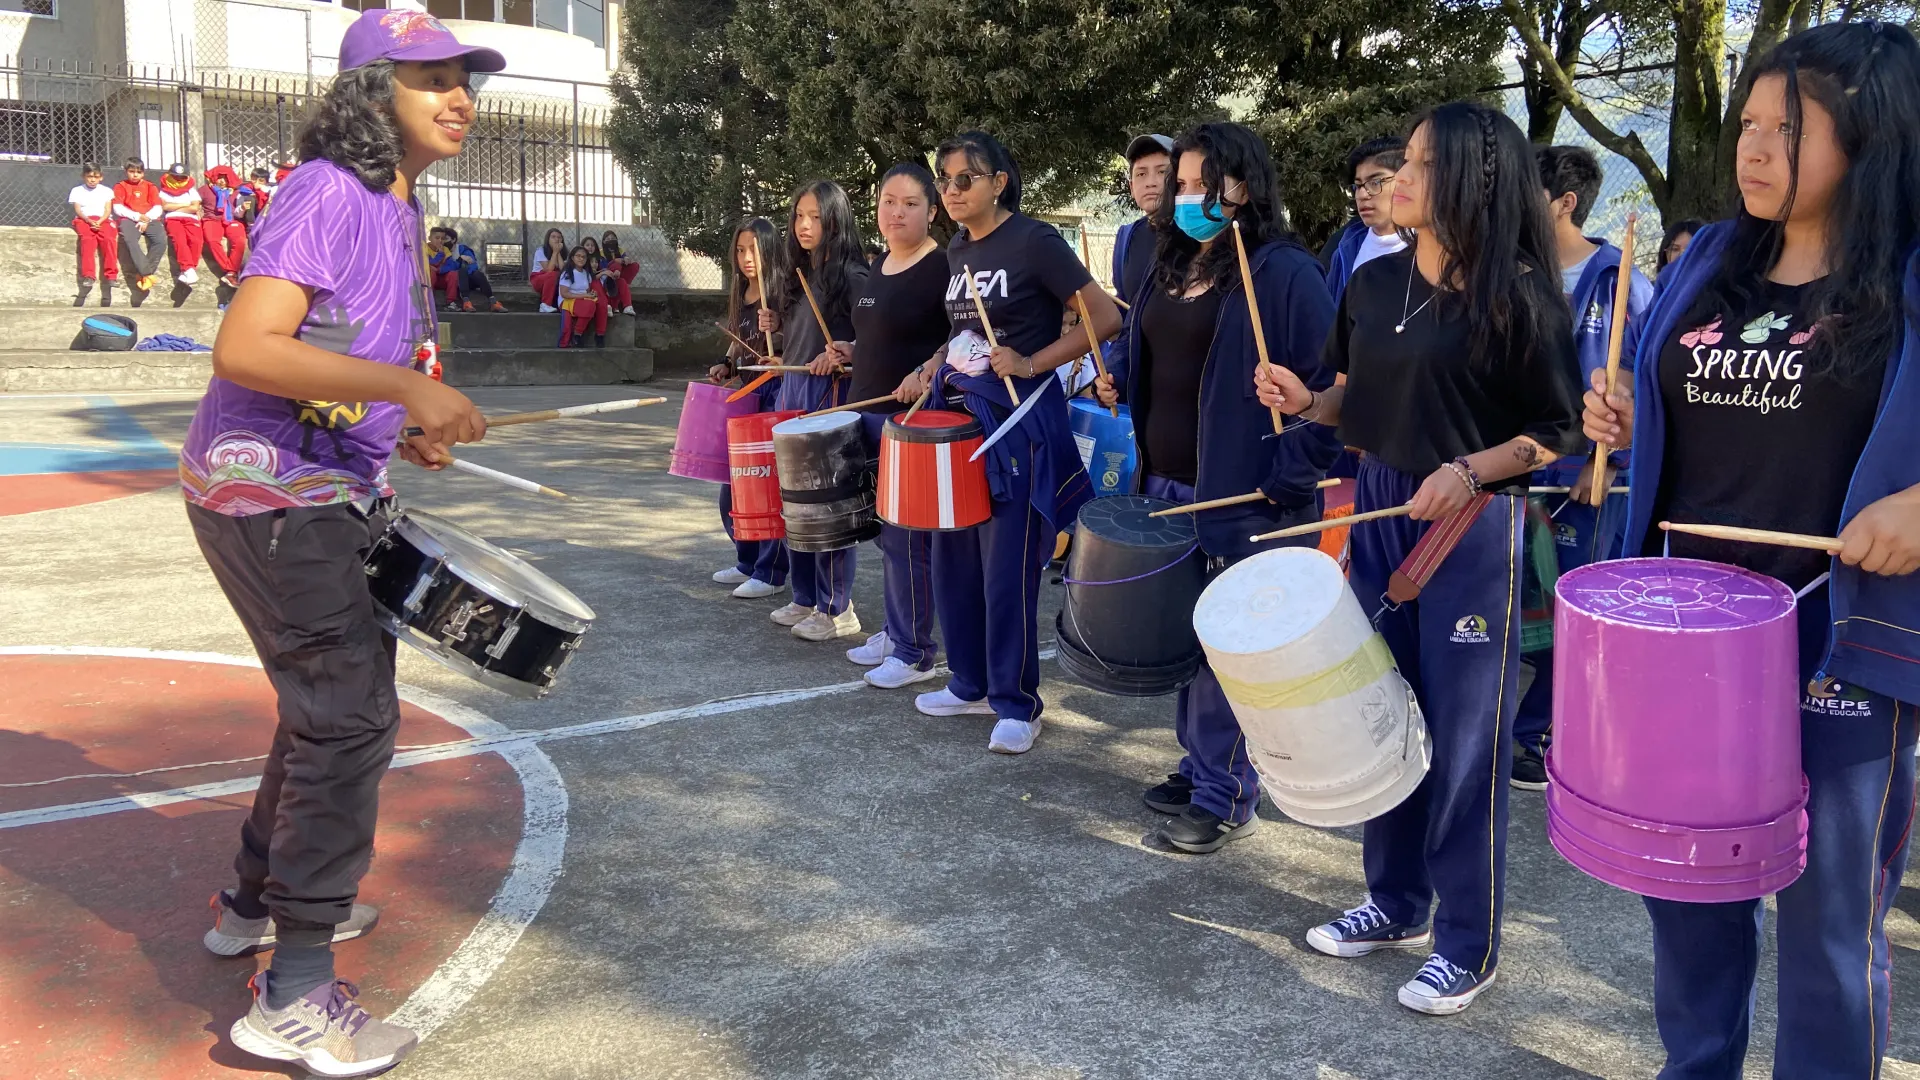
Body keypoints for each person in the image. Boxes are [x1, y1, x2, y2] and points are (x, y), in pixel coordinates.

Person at [1582, 23, 1920, 1078]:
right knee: (1687, 894)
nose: (1757, 150)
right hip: (1683, 638)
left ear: (1874, 143)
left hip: (1835, 634)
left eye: (1793, 129)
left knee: (1827, 923)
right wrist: (1632, 414)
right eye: (1751, 125)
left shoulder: (1908, 278)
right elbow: (1684, 412)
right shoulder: (1716, 260)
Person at [178, 10, 501, 1074]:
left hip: (325, 484)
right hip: (269, 494)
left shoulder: (398, 207)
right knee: (353, 714)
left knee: (327, 708)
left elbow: (334, 354)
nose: (457, 96)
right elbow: (248, 345)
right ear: (373, 94)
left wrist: (397, 420)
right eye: (429, 80)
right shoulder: (331, 189)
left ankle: (250, 903)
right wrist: (405, 385)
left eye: (464, 79)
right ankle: (298, 992)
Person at [1257, 101, 1583, 1015]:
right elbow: (1351, 400)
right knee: (1381, 713)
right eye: (1402, 160)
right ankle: (1394, 902)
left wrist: (1471, 471)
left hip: (1471, 533)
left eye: (1420, 164)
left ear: (1476, 179)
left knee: (1466, 740)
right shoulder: (1371, 282)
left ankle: (1467, 944)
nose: (1397, 178)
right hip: (1377, 515)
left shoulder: (1517, 289)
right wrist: (1303, 399)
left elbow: (1555, 433)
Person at [1092, 122, 1340, 851]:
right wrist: (1120, 379)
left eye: (1209, 184)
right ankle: (1200, 762)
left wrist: (1284, 484)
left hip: (1245, 498)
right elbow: (1160, 358)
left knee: (1229, 652)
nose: (1192, 197)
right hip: (1168, 486)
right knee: (1186, 640)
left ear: (1249, 186)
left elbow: (1330, 394)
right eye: (1184, 185)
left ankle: (1227, 790)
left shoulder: (1285, 272)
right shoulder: (1168, 261)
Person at [893, 130, 1121, 754]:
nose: (952, 188)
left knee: (1006, 569)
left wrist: (1032, 361)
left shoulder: (1035, 241)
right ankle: (968, 682)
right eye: (944, 178)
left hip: (1017, 426)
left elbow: (1105, 316)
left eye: (966, 177)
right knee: (954, 557)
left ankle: (1017, 702)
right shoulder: (959, 249)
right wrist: (932, 363)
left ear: (999, 181)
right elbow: (963, 333)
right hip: (959, 419)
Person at [1508, 144, 1655, 791]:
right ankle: (1510, 727)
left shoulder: (1623, 281)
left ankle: (1537, 736)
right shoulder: (1513, 274)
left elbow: (1641, 387)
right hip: (1518, 469)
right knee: (1518, 609)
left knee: (1574, 613)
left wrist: (1610, 459)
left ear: (1564, 202)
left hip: (1589, 480)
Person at [834, 162, 949, 688]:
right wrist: (850, 350)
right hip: (865, 411)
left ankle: (915, 650)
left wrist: (927, 370)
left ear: (932, 209)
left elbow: (963, 339)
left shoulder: (943, 267)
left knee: (909, 540)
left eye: (909, 203)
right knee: (885, 535)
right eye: (887, 201)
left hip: (910, 421)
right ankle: (896, 627)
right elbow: (879, 339)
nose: (896, 212)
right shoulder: (878, 265)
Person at [758, 179, 870, 642]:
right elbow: (803, 343)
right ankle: (805, 596)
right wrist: (778, 349)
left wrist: (847, 352)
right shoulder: (799, 273)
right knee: (795, 506)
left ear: (835, 220)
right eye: (798, 216)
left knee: (827, 508)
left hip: (829, 400)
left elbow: (875, 340)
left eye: (815, 217)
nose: (804, 225)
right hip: (793, 392)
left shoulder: (854, 276)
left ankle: (837, 608)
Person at [708, 215, 789, 600]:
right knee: (734, 487)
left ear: (770, 250)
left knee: (766, 488)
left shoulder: (784, 295)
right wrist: (725, 364)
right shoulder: (742, 294)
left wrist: (781, 334)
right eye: (740, 250)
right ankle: (746, 559)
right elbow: (739, 340)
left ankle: (770, 571)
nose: (745, 257)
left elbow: (795, 346)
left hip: (776, 396)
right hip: (747, 396)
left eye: (753, 249)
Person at [1103, 133, 1171, 393]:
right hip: (1140, 383)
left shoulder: (1196, 238)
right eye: (1141, 174)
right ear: (1131, 185)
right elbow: (1125, 309)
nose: (1151, 182)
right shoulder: (1126, 237)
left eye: (1162, 172)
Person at [1323, 136, 1409, 305]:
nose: (1362, 195)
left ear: (1405, 180)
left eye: (1375, 182)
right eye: (1358, 186)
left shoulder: (1431, 245)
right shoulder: (1345, 248)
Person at [112, 156, 167, 293]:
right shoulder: (120, 186)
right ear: (126, 171)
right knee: (130, 240)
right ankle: (147, 274)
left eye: (138, 172)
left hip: (150, 218)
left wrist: (146, 219)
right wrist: (137, 217)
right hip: (129, 219)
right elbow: (118, 208)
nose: (135, 175)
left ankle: (143, 274)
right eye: (131, 171)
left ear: (143, 173)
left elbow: (158, 207)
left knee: (160, 241)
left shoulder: (150, 187)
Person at [68, 162, 118, 300]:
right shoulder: (77, 191)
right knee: (87, 241)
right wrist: (89, 221)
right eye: (89, 176)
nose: (92, 179)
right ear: (84, 176)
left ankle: (111, 276)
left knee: (108, 240)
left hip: (103, 219)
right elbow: (78, 210)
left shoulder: (107, 191)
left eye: (96, 177)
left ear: (101, 177)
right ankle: (89, 275)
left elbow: (108, 210)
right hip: (84, 220)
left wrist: (100, 221)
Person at [428, 226, 505, 312]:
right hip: (457, 280)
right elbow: (448, 267)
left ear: (453, 240)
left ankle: (493, 302)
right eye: (440, 238)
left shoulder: (463, 249)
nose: (442, 241)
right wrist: (460, 260)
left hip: (467, 279)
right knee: (460, 271)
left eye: (444, 239)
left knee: (476, 274)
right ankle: (466, 302)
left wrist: (462, 266)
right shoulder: (444, 251)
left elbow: (472, 265)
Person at [200, 165, 249, 289]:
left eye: (225, 178)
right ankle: (230, 270)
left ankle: (231, 273)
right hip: (211, 219)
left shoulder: (237, 192)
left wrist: (243, 208)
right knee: (212, 241)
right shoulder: (205, 190)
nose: (222, 181)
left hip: (232, 219)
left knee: (239, 241)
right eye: (219, 177)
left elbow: (239, 212)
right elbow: (195, 204)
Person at [158, 163, 205, 286]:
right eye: (176, 177)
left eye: (182, 177)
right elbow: (165, 206)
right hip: (173, 219)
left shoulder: (191, 190)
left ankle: (188, 270)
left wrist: (174, 207)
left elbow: (195, 207)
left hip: (191, 219)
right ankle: (188, 268)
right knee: (179, 240)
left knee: (196, 241)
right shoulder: (164, 191)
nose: (179, 180)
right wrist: (185, 205)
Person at [556, 245, 607, 347]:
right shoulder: (568, 273)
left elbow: (587, 291)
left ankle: (600, 334)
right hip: (567, 301)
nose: (581, 258)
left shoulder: (586, 274)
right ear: (572, 257)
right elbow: (564, 293)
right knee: (590, 305)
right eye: (578, 256)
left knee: (601, 302)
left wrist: (592, 294)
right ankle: (577, 334)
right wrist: (585, 295)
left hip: (581, 300)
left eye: (583, 256)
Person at [600, 230, 639, 314]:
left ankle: (627, 307)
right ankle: (622, 305)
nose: (610, 240)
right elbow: (603, 267)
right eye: (608, 238)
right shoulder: (601, 253)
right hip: (608, 276)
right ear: (603, 241)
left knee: (635, 265)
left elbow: (626, 261)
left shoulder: (620, 250)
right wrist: (616, 261)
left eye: (613, 238)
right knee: (619, 276)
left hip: (619, 275)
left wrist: (626, 260)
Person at [530, 227, 567, 312]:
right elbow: (549, 270)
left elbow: (563, 270)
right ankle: (545, 304)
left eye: (559, 237)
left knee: (562, 276)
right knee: (553, 274)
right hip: (538, 278)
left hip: (554, 281)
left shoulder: (562, 251)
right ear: (548, 239)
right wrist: (555, 252)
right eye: (553, 237)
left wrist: (557, 253)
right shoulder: (541, 250)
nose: (556, 239)